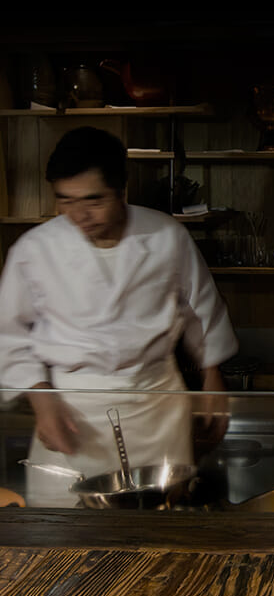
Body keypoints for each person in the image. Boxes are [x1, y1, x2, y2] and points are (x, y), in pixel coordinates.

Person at [0, 126, 238, 507]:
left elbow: (201, 309)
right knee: (65, 545)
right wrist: (42, 401)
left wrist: (213, 377)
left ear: (122, 191)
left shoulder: (165, 235)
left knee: (160, 535)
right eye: (65, 200)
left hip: (155, 405)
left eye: (93, 200)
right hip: (71, 412)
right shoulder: (34, 249)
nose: (79, 215)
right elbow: (8, 336)